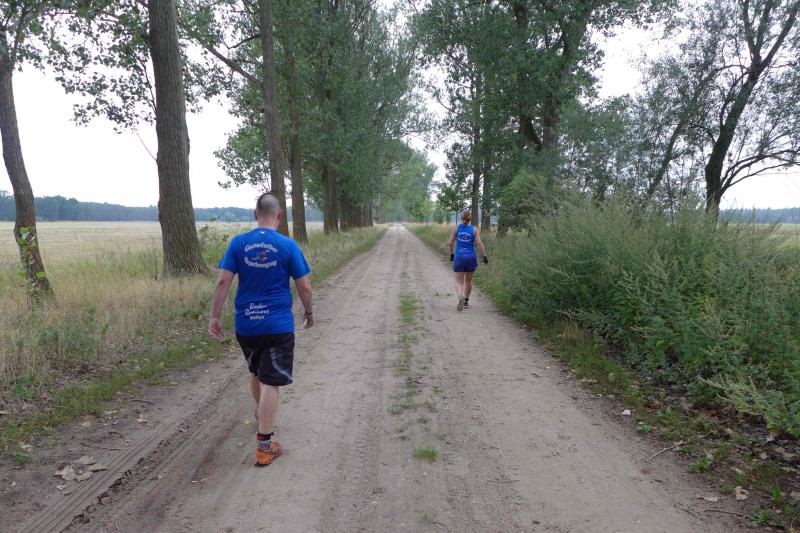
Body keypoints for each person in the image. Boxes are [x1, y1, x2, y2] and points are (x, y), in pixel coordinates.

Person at [208, 193, 314, 466]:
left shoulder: (238, 243)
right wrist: (309, 312)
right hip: (277, 326)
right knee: (270, 382)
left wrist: (215, 316)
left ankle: (261, 414)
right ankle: (265, 446)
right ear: (279, 216)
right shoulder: (288, 245)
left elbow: (223, 282)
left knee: (256, 372)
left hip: (246, 325)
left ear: (255, 215)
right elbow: (304, 286)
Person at [448, 210, 487, 312]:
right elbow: (479, 244)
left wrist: (451, 254)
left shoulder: (456, 228)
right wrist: (484, 255)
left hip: (459, 257)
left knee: (458, 281)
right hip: (471, 258)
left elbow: (450, 242)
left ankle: (460, 295)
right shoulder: (474, 229)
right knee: (468, 280)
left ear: (462, 218)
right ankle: (465, 301)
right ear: (470, 219)